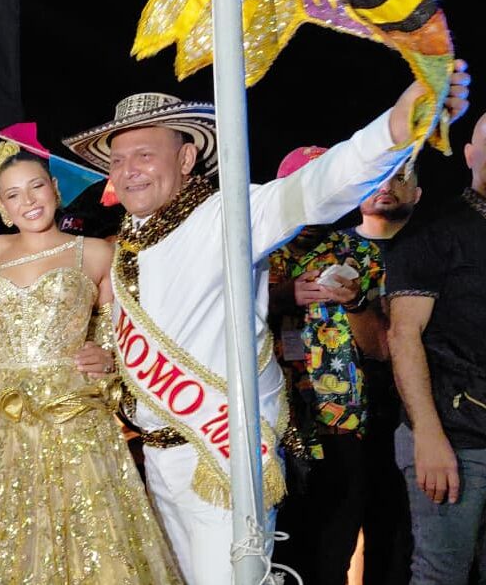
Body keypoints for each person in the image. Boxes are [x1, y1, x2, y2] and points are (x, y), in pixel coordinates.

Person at [60, 68, 470, 585]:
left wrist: (395, 126)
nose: (128, 171)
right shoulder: (130, 241)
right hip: (156, 458)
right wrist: (111, 360)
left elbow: (319, 185)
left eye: (144, 155)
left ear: (186, 158)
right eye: (118, 160)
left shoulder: (229, 215)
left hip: (221, 456)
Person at [0, 141, 183, 584]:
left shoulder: (96, 252)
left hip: (73, 413)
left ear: (54, 187)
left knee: (89, 531)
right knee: (3, 532)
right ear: (2, 205)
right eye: (13, 194)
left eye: (36, 187)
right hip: (6, 414)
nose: (28, 201)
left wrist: (107, 356)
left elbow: (123, 333)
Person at [267, 147, 385, 585]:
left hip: (342, 425)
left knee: (333, 553)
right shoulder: (255, 250)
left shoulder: (362, 253)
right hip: (271, 425)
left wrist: (355, 301)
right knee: (275, 551)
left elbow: (381, 347)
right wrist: (282, 298)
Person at [386, 110, 486, 584]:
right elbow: (402, 335)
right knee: (441, 575)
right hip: (454, 438)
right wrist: (427, 434)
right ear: (469, 155)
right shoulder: (435, 230)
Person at [351, 166, 422, 585]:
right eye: (378, 177)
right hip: (338, 415)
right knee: (337, 531)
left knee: (404, 533)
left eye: (400, 178)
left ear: (418, 193)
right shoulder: (330, 249)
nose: (386, 187)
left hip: (417, 407)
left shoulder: (434, 247)